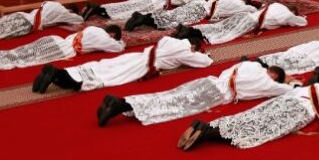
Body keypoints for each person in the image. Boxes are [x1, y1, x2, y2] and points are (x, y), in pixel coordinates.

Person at [176, 80, 319, 151]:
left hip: (285, 100)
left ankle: (204, 126)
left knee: (246, 118)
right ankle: (206, 135)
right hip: (300, 110)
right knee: (259, 130)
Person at [98, 60, 298, 127]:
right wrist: (291, 81)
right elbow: (289, 90)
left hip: (208, 81)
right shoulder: (270, 83)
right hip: (215, 95)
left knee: (168, 95)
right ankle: (120, 105)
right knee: (172, 105)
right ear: (274, 76)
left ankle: (123, 102)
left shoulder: (249, 65)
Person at [33, 34, 212, 94]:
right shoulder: (185, 50)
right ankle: (57, 76)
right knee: (107, 77)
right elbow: (203, 63)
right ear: (194, 45)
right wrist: (206, 55)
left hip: (136, 56)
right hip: (143, 65)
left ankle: (58, 72)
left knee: (102, 66)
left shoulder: (171, 40)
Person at [0, 24, 124, 74]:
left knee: (19, 51)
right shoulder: (105, 38)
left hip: (54, 39)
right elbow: (118, 48)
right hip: (62, 50)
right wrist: (118, 41)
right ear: (112, 34)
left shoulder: (92, 28)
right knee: (22, 59)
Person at [124, 0, 259, 32]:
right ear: (244, 1)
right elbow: (252, 10)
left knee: (171, 14)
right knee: (174, 20)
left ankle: (145, 16)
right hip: (200, 11)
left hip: (198, 4)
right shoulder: (241, 5)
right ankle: (143, 19)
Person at [180, 2, 308, 44]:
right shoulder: (287, 14)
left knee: (217, 27)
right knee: (223, 34)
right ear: (292, 11)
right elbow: (301, 23)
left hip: (244, 16)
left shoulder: (276, 5)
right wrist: (300, 16)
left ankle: (187, 30)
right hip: (249, 22)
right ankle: (190, 34)